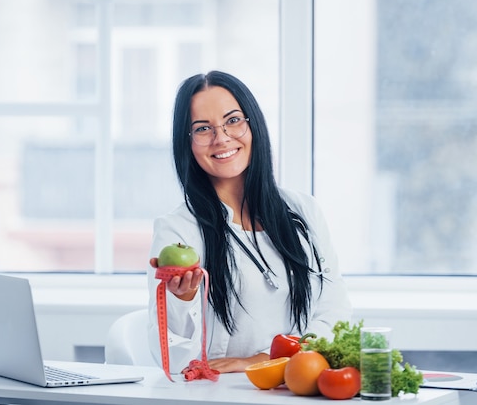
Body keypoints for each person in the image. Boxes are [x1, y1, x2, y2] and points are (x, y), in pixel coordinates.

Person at [147, 70, 352, 375]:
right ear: (186, 143)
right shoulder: (178, 230)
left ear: (252, 124)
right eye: (203, 128)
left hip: (299, 386)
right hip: (228, 391)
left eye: (232, 120)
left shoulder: (303, 210)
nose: (221, 138)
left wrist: (264, 360)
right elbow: (167, 351)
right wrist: (182, 299)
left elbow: (335, 314)